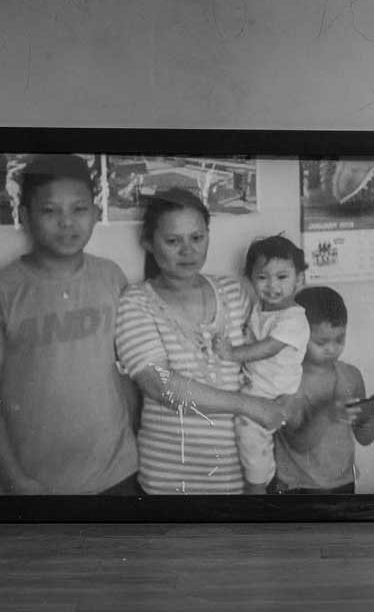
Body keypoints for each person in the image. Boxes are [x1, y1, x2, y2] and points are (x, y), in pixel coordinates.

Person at [0, 153, 138, 495]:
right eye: (50, 211)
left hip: (120, 473)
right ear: (25, 216)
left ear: (95, 213)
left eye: (79, 209)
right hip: (37, 486)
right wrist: (14, 478)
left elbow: (128, 370)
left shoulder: (111, 277)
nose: (67, 222)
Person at [116, 189, 292, 494]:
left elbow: (274, 359)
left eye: (197, 238)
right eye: (173, 241)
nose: (188, 250)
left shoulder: (235, 292)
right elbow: (161, 386)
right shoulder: (136, 301)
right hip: (169, 481)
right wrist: (250, 406)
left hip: (244, 478)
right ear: (148, 242)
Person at [270, 284, 374, 494]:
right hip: (296, 488)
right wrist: (327, 414)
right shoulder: (287, 379)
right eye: (321, 342)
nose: (332, 348)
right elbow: (299, 443)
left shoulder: (351, 376)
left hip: (342, 484)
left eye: (339, 339)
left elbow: (364, 438)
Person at [214, 234, 313, 492]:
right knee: (255, 440)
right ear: (250, 279)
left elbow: (268, 348)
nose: (272, 285)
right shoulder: (261, 308)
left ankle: (256, 487)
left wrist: (232, 353)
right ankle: (266, 477)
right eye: (262, 277)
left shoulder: (293, 318)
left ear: (299, 279)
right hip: (262, 387)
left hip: (273, 392)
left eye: (282, 277)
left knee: (249, 434)